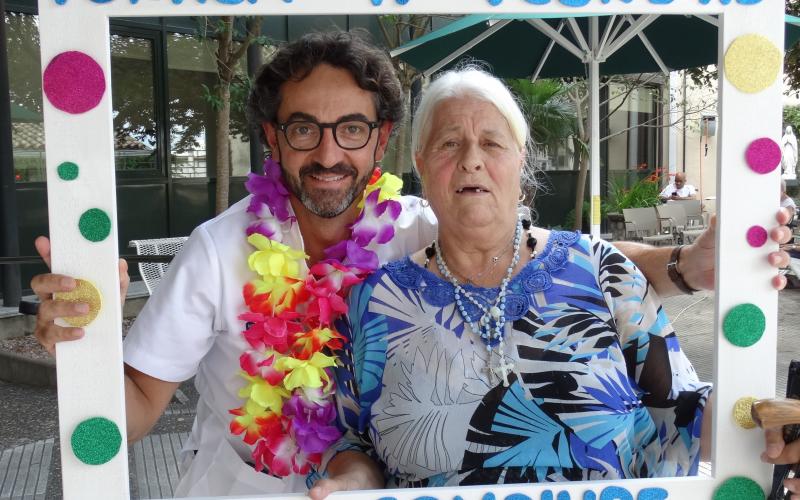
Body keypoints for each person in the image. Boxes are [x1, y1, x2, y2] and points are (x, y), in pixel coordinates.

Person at [29, 31, 794, 497]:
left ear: (382, 142)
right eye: (304, 130)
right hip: (249, 493)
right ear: (272, 138)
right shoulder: (219, 254)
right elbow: (132, 407)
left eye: (350, 129)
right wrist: (83, 342)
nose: (328, 153)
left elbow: (548, 252)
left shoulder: (415, 224)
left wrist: (688, 268)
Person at [310, 67, 799, 499]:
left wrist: (766, 418)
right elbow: (358, 443)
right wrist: (348, 486)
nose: (471, 160)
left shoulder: (600, 270)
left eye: (492, 143)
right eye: (449, 143)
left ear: (521, 160)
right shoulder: (377, 302)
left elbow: (683, 407)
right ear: (420, 163)